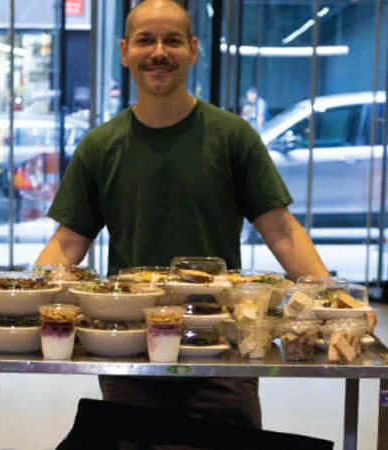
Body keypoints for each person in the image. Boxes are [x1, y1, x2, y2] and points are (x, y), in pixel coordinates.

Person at [30, 0, 377, 444]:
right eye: (145, 40)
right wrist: (17, 304)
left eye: (172, 40)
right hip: (132, 349)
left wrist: (333, 306)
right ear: (124, 51)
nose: (159, 51)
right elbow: (68, 241)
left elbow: (283, 232)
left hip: (221, 348)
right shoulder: (100, 146)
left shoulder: (233, 138)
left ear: (193, 50)